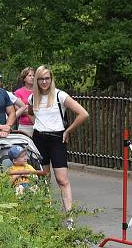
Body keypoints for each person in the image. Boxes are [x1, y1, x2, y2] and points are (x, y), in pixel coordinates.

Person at [28, 65, 89, 226]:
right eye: (40, 79)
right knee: (43, 177)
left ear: (51, 79)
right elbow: (30, 113)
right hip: (39, 139)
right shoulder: (32, 98)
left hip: (57, 139)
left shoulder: (59, 95)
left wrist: (68, 130)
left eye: (47, 78)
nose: (44, 82)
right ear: (36, 81)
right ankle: (45, 213)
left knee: (62, 179)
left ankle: (69, 217)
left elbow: (83, 113)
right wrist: (37, 125)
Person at [13, 67, 35, 136]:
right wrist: (34, 109)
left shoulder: (39, 92)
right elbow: (18, 110)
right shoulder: (18, 92)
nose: (32, 77)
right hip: (25, 126)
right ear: (24, 78)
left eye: (34, 75)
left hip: (39, 125)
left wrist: (26, 107)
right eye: (30, 75)